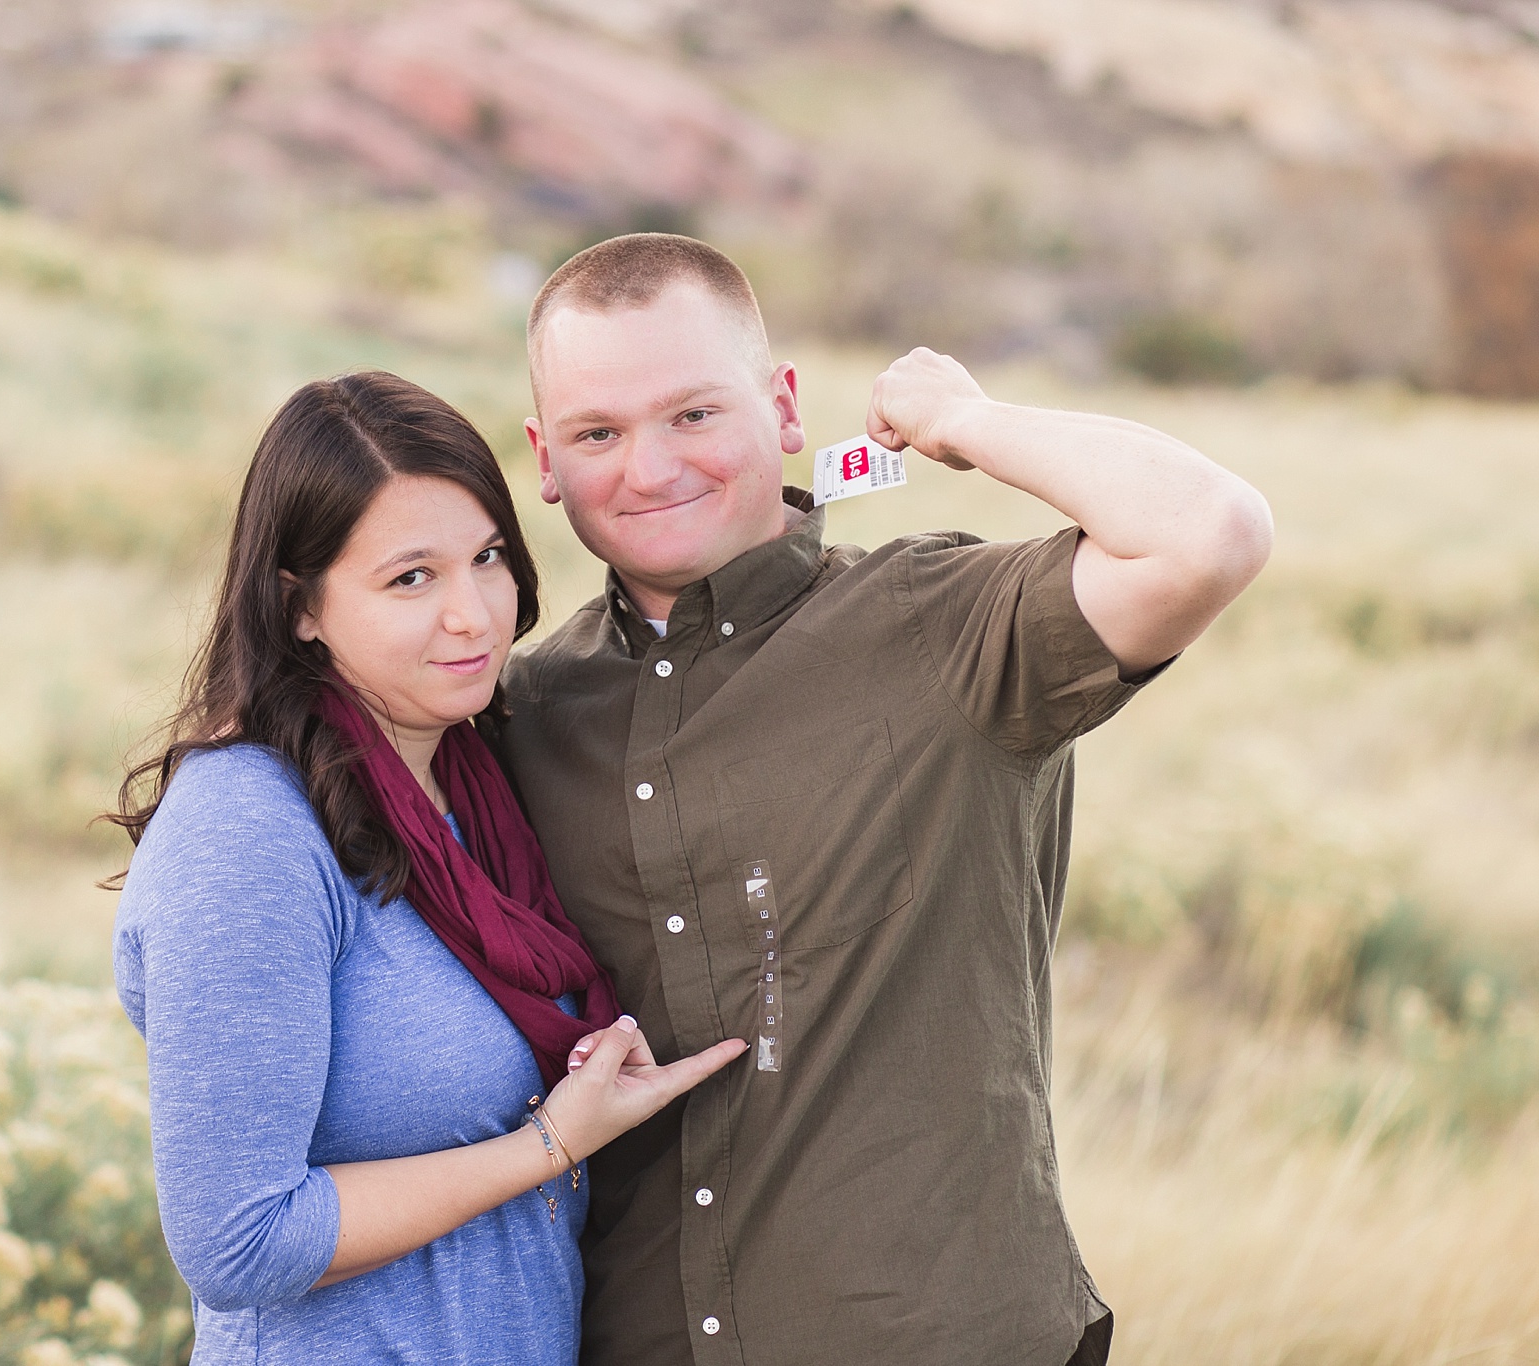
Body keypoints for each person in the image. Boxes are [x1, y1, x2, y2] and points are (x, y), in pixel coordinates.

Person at [493, 234, 1274, 1366]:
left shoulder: (940, 627)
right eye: (597, 433)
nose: (649, 467)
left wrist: (961, 420)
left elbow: (1211, 533)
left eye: (694, 415)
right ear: (545, 458)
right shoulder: (523, 710)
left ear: (783, 407)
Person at [105, 370, 747, 1366]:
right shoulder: (248, 830)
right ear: (299, 607)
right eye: (411, 577)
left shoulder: (476, 786)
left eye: (486, 558)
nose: (474, 616)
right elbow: (237, 1239)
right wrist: (547, 1146)